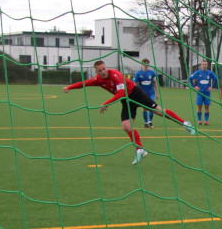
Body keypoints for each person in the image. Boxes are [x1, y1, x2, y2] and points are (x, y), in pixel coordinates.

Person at [64, 60, 195, 165]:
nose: (103, 72)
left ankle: (185, 123)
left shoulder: (115, 75)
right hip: (126, 101)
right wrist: (69, 87)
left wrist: (106, 103)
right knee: (126, 126)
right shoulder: (98, 80)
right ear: (96, 71)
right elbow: (84, 83)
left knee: (159, 112)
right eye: (100, 70)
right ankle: (140, 150)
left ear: (106, 67)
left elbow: (121, 92)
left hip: (135, 94)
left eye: (104, 69)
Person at [188, 59, 220, 126]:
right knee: (199, 107)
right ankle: (199, 121)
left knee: (207, 107)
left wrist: (212, 86)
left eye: (205, 64)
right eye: (203, 64)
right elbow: (190, 78)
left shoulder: (210, 73)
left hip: (207, 93)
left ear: (207, 65)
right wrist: (194, 86)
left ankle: (206, 121)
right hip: (200, 93)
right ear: (201, 65)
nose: (204, 66)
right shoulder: (198, 72)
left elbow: (216, 79)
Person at [133, 59, 159, 128]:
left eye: (147, 64)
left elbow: (155, 82)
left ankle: (150, 122)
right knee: (144, 108)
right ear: (142, 64)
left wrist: (157, 93)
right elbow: (134, 83)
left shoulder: (152, 73)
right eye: (145, 64)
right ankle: (146, 123)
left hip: (151, 93)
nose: (146, 66)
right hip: (143, 94)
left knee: (151, 107)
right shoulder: (138, 73)